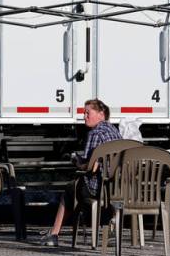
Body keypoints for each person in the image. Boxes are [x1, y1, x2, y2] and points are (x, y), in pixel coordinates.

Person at [38, 98, 120, 247]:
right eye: (84, 113)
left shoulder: (95, 133)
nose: (84, 116)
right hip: (116, 187)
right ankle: (111, 227)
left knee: (70, 190)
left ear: (101, 114)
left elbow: (90, 168)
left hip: (98, 188)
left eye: (88, 112)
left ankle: (54, 234)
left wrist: (77, 162)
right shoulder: (115, 131)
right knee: (77, 188)